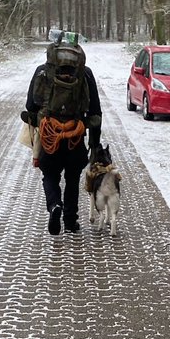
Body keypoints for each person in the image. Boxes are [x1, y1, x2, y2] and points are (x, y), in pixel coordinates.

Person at [23, 32, 102, 235]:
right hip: (75, 138)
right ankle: (70, 220)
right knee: (73, 178)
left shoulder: (42, 72)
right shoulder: (85, 74)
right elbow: (95, 111)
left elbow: (31, 105)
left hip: (50, 136)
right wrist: (94, 142)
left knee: (49, 175)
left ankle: (54, 205)